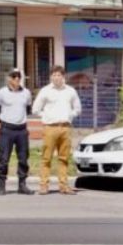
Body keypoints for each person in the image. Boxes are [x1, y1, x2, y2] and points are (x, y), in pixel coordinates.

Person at [32, 65, 82, 195]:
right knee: (46, 158)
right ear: (50, 77)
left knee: (64, 158)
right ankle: (44, 185)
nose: (56, 77)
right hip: (50, 128)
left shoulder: (70, 91)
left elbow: (77, 108)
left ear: (63, 76)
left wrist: (70, 115)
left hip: (65, 128)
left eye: (58, 75)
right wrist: (46, 116)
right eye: (54, 75)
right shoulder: (45, 91)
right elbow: (35, 109)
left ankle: (63, 186)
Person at [0, 69, 34, 195]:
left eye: (19, 76)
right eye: (14, 76)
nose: (17, 79)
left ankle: (22, 185)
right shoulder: (1, 93)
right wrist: (5, 122)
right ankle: (2, 185)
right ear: (8, 78)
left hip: (22, 130)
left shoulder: (26, 93)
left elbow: (28, 109)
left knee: (23, 158)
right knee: (3, 158)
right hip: (7, 130)